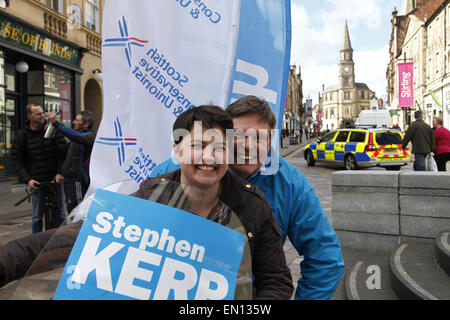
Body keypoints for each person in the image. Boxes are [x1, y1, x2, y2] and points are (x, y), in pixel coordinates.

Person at [0, 105, 293, 300]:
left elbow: (276, 282)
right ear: (177, 151)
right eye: (197, 146)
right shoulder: (149, 198)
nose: (208, 157)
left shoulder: (255, 205)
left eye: (219, 147)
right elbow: (71, 239)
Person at [151, 96, 345, 300]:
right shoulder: (172, 171)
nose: (248, 145)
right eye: (238, 134)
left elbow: (325, 259)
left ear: (270, 143)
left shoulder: (290, 186)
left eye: (260, 138)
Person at [11, 104, 67, 233]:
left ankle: (63, 243)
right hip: (37, 182)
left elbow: (63, 151)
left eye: (43, 113)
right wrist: (28, 179)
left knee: (61, 215)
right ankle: (36, 244)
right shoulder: (22, 136)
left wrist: (59, 173)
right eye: (38, 114)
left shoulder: (50, 130)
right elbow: (17, 160)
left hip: (55, 180)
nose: (42, 116)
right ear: (29, 116)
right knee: (37, 217)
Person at [48, 110, 96, 213]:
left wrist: (56, 124)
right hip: (69, 180)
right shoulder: (75, 138)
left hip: (77, 181)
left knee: (78, 210)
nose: (74, 122)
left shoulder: (90, 137)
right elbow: (65, 155)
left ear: (86, 124)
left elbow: (75, 135)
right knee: (70, 207)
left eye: (77, 120)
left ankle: (78, 229)